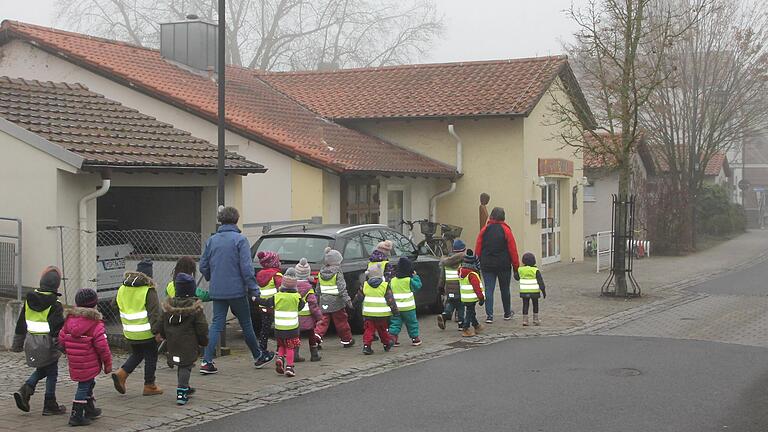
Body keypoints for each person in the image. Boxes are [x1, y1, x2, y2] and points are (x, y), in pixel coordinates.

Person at [199, 206, 274, 374]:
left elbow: (203, 265)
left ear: (221, 220)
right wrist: (254, 289)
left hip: (217, 290)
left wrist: (212, 277)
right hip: (237, 290)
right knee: (246, 323)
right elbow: (246, 268)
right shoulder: (240, 240)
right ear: (236, 220)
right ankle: (258, 356)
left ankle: (206, 361)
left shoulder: (212, 240)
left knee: (216, 324)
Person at [11, 266, 67, 416]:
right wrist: (63, 347)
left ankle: (26, 390)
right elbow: (57, 330)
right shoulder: (55, 304)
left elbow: (21, 323)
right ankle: (49, 403)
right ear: (56, 285)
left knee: (44, 369)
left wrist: (17, 344)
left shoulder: (29, 300)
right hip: (47, 343)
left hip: (31, 341)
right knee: (52, 372)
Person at [59, 288, 112, 426]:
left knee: (88, 383)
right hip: (89, 361)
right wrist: (108, 363)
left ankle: (90, 409)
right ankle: (76, 416)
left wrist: (67, 350)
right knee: (84, 386)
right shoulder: (95, 323)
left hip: (75, 360)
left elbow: (62, 338)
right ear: (94, 304)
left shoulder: (69, 320)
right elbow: (102, 347)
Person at [111, 259, 163, 396]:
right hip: (146, 333)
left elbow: (114, 304)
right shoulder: (148, 290)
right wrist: (157, 331)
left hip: (129, 331)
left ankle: (121, 374)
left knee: (138, 354)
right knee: (151, 356)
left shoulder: (123, 288)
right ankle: (149, 385)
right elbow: (154, 313)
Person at [161, 273, 209, 405]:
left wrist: (163, 335)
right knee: (185, 366)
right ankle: (181, 392)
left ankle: (185, 387)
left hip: (172, 343)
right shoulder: (195, 308)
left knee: (180, 365)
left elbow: (162, 323)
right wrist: (203, 340)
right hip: (188, 344)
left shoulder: (169, 307)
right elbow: (202, 326)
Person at [475, 206, 520, 323]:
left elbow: (478, 248)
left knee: (489, 289)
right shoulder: (506, 230)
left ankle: (489, 316)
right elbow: (513, 250)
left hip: (487, 265)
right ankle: (507, 313)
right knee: (505, 289)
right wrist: (516, 267)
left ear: (492, 216)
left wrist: (476, 263)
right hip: (503, 265)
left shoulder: (485, 230)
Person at [258, 269, 305, 377]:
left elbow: (266, 302)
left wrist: (256, 299)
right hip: (292, 328)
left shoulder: (277, 296)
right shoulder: (296, 297)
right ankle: (289, 367)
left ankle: (279, 358)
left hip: (279, 328)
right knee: (290, 347)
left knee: (281, 345)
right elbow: (301, 307)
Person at [314, 247, 355, 348]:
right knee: (341, 321)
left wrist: (316, 299)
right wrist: (348, 301)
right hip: (337, 302)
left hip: (324, 301)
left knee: (322, 321)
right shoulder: (337, 273)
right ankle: (347, 340)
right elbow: (342, 289)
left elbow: (318, 289)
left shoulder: (321, 273)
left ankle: (316, 337)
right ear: (337, 262)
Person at [354, 263, 398, 355]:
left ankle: (367, 346)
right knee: (382, 329)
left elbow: (359, 297)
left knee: (369, 329)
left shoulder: (365, 285)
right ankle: (387, 343)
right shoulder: (385, 286)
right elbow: (390, 300)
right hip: (382, 314)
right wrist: (395, 310)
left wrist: (353, 304)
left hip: (368, 313)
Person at [388, 257, 423, 346]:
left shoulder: (393, 280)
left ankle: (392, 338)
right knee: (412, 323)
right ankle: (415, 338)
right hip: (408, 307)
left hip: (396, 307)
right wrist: (416, 276)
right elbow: (418, 286)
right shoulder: (408, 280)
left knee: (395, 323)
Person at [295, 258, 323, 362]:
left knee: (296, 336)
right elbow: (313, 305)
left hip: (295, 318)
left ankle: (295, 354)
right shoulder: (309, 289)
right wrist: (319, 316)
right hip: (308, 318)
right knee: (311, 335)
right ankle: (314, 354)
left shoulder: (292, 287)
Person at [255, 251, 282, 354]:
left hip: (262, 305)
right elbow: (281, 290)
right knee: (278, 328)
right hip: (276, 305)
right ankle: (280, 348)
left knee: (265, 328)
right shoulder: (277, 275)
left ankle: (262, 348)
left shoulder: (260, 274)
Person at [437, 240, 466, 331]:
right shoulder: (463, 261)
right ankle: (461, 323)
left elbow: (442, 277)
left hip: (449, 289)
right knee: (460, 305)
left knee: (450, 302)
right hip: (460, 288)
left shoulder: (446, 263)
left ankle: (445, 315)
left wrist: (440, 287)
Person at [459, 250, 485, 337]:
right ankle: (465, 328)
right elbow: (477, 288)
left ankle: (476, 325)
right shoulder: (472, 274)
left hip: (464, 297)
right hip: (471, 297)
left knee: (472, 312)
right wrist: (481, 298)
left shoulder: (461, 271)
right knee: (470, 313)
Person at [517, 253, 547, 327]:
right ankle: (535, 319)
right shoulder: (535, 270)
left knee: (525, 305)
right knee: (535, 304)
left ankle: (525, 320)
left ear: (523, 261)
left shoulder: (520, 270)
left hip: (524, 291)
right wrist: (543, 291)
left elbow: (516, 277)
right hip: (534, 292)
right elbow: (540, 281)